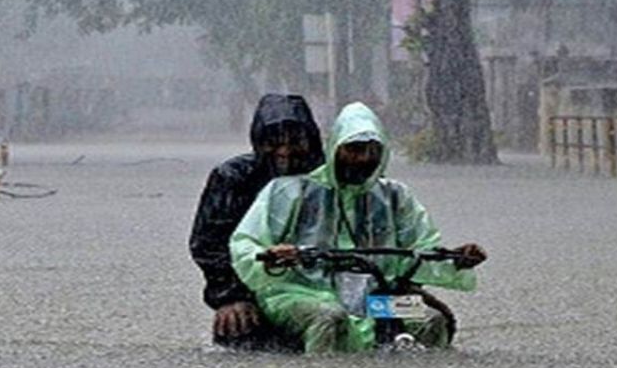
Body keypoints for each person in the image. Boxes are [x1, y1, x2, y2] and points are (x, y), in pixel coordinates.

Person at [229, 102, 487, 353]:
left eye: (372, 151)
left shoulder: (395, 196)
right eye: (354, 149)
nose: (363, 158)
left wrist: (456, 260)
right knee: (330, 318)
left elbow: (420, 251)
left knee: (431, 319)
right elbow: (245, 243)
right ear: (335, 148)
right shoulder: (288, 191)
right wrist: (272, 258)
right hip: (302, 292)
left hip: (375, 300)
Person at [190, 93, 324, 348]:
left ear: (312, 140)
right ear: (257, 142)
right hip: (252, 287)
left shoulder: (331, 176)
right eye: (272, 142)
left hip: (327, 283)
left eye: (295, 141)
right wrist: (230, 296)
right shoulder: (233, 177)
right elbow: (208, 243)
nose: (285, 151)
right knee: (240, 327)